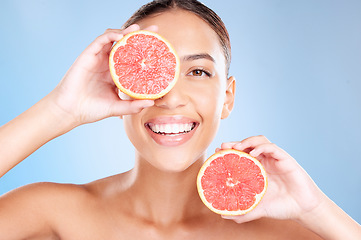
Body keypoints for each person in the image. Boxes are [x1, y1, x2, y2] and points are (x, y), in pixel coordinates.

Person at [0, 0, 360, 239]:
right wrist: (60, 109)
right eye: (153, 71)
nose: (170, 97)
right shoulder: (55, 215)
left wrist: (317, 209)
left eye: (198, 71)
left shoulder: (287, 232)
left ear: (227, 97)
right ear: (120, 81)